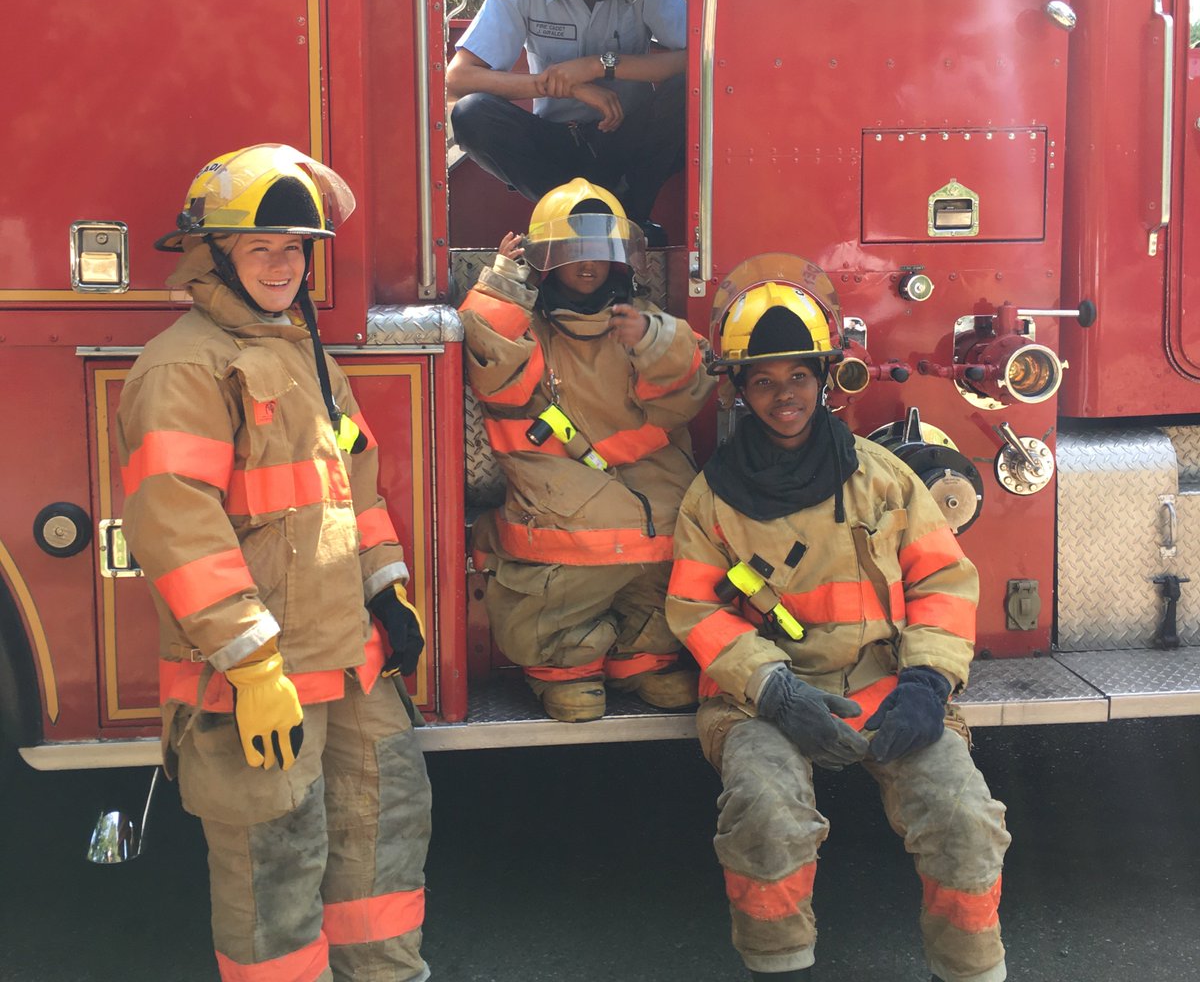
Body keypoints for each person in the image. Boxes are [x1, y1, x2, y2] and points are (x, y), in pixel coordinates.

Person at [117, 145, 432, 982]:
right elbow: (178, 528)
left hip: (349, 664)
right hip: (258, 675)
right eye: (262, 249)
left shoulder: (305, 356)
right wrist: (252, 664)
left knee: (382, 834)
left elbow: (353, 487)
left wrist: (388, 591)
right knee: (276, 870)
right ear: (212, 254)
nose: (284, 265)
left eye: (295, 248)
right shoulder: (184, 366)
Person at [666, 256, 1010, 982]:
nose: (782, 395)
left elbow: (943, 581)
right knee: (764, 813)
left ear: (823, 382)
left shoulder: (884, 479)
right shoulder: (711, 498)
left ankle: (973, 968)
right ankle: (779, 962)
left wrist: (928, 683)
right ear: (740, 390)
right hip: (764, 702)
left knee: (965, 817)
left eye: (797, 377)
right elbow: (695, 609)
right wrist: (774, 691)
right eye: (763, 380)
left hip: (889, 687)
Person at [459, 178, 714, 721]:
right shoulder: (530, 332)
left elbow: (687, 393)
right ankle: (564, 670)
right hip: (564, 514)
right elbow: (495, 373)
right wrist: (503, 284)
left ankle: (641, 659)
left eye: (599, 252)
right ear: (543, 262)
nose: (588, 264)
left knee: (659, 584)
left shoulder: (640, 325)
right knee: (558, 598)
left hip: (654, 514)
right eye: (573, 252)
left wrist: (651, 337)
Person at [447, 0, 686, 242]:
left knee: (685, 94)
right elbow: (458, 80)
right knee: (472, 114)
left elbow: (696, 60)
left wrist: (598, 65)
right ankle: (565, 220)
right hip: (555, 149)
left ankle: (632, 219)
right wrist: (563, 84)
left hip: (626, 144)